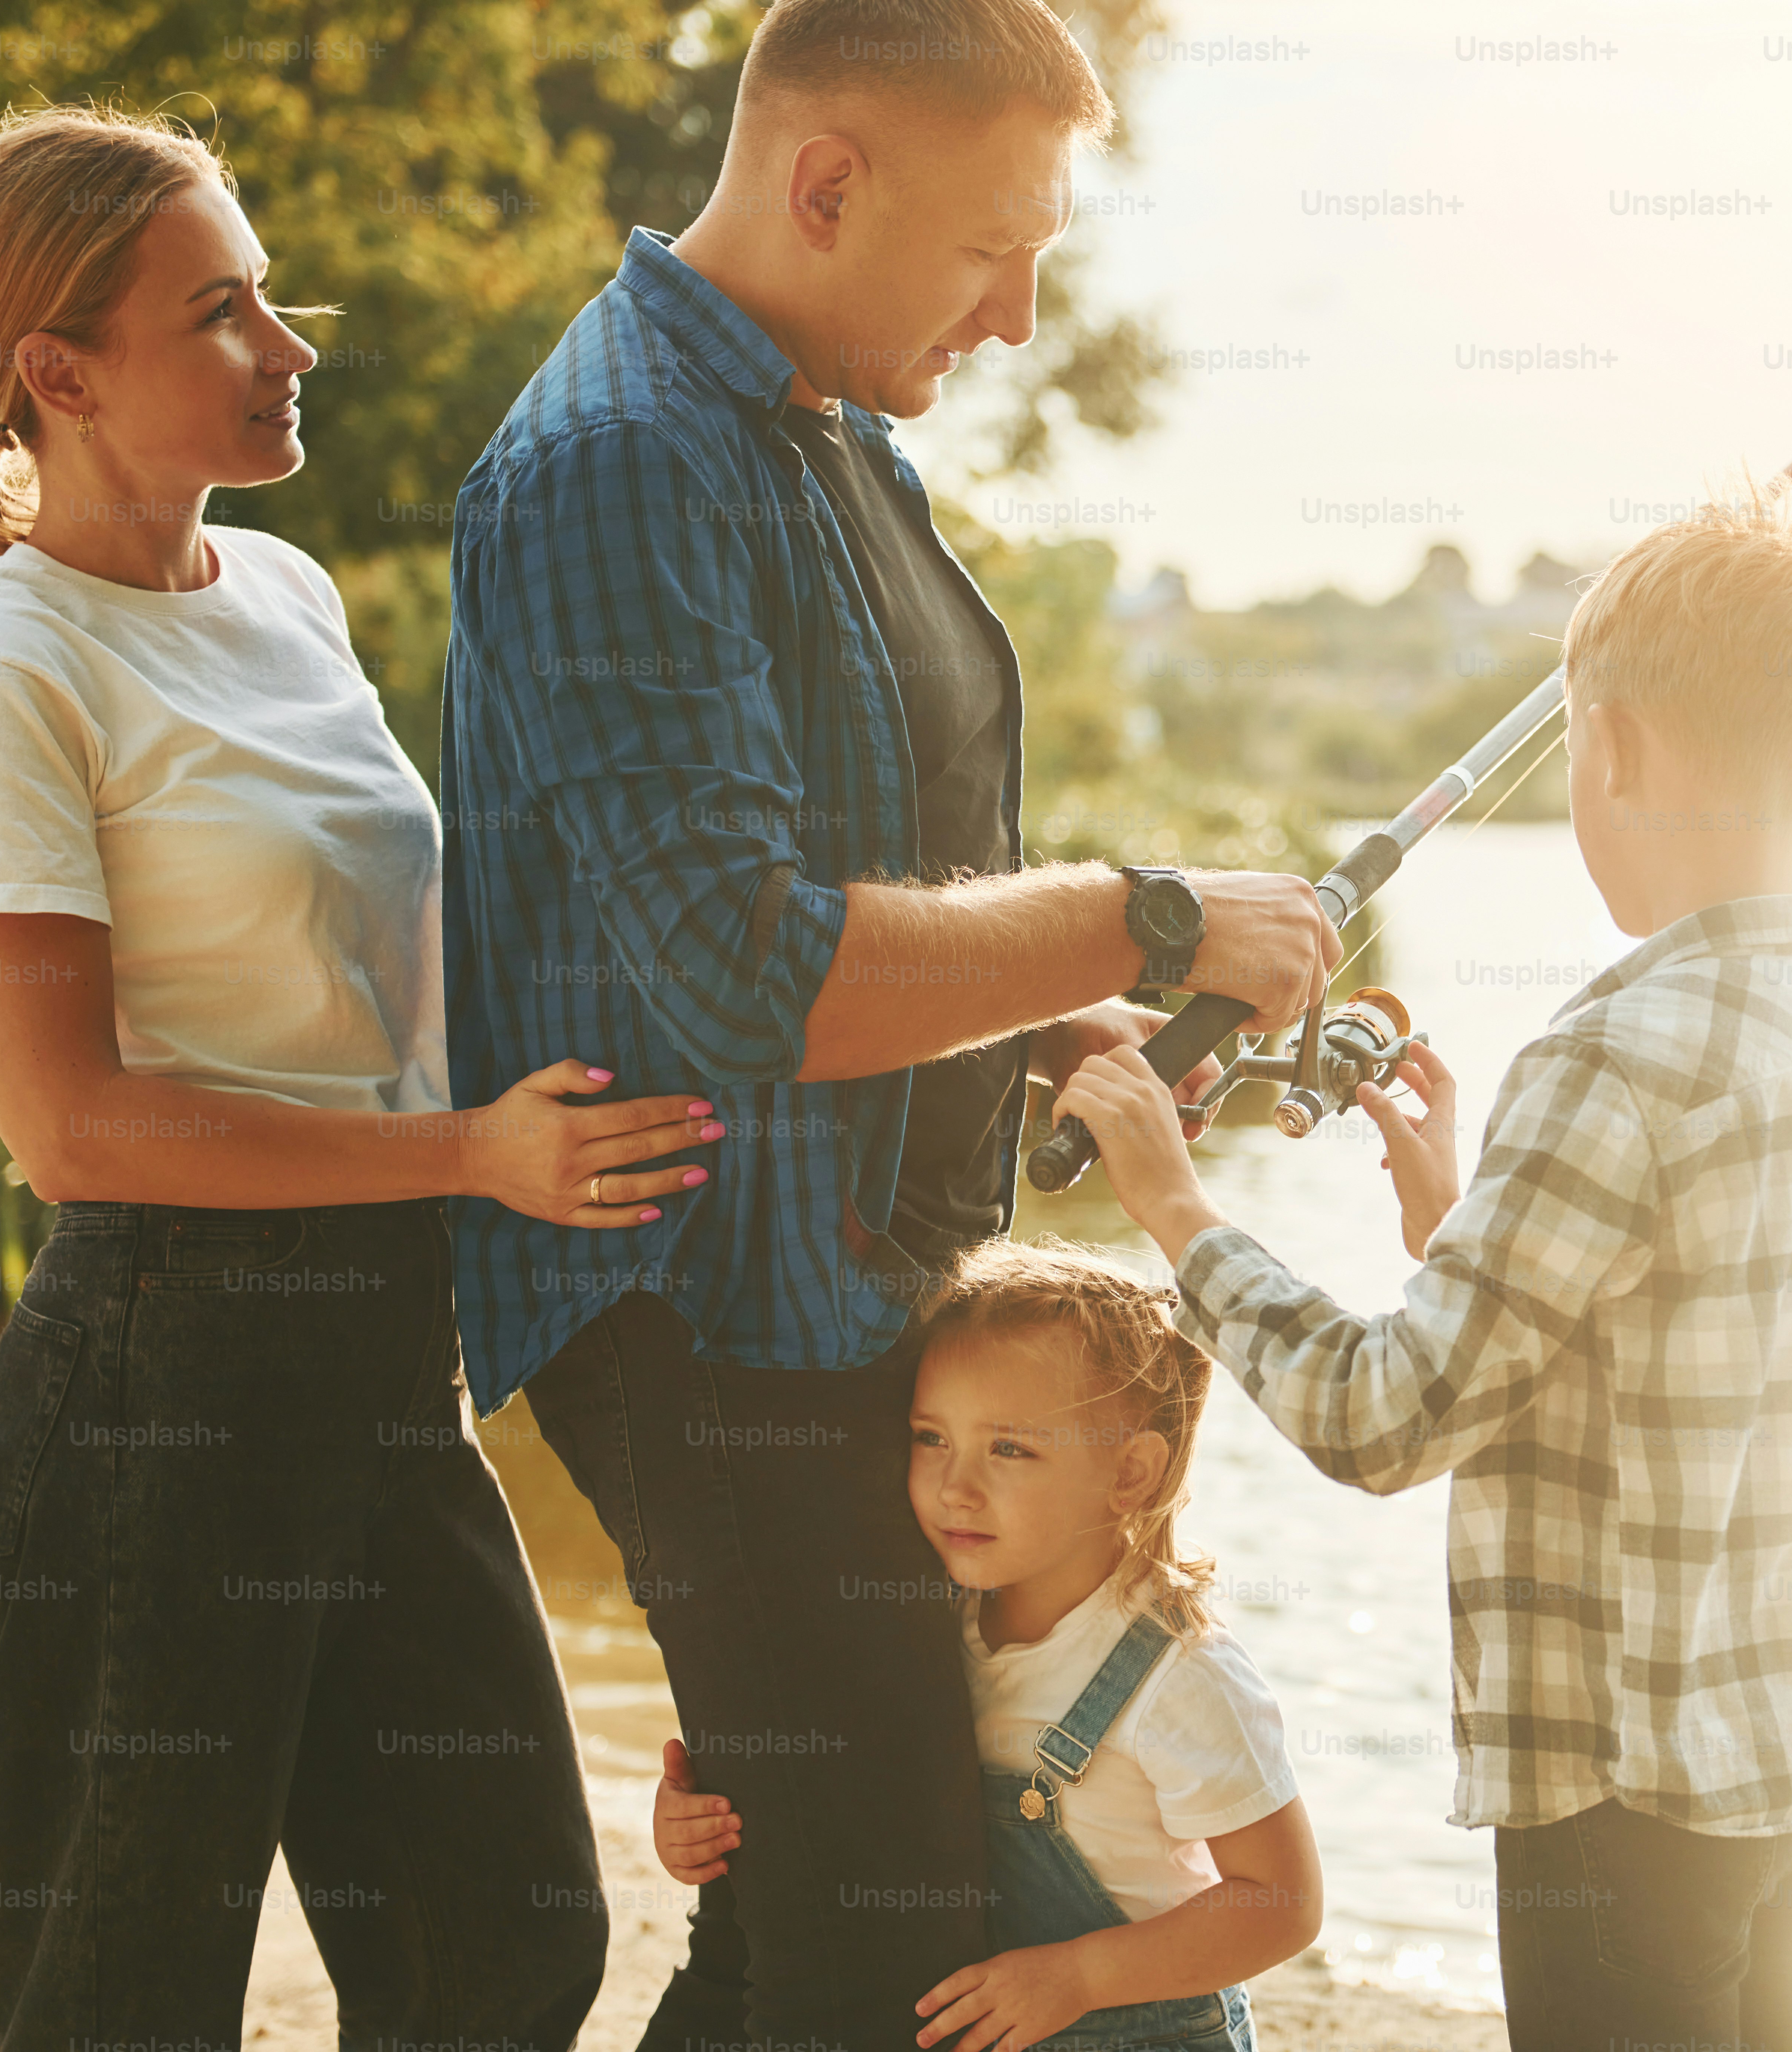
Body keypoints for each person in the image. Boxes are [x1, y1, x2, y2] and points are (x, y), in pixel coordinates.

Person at [437, 0, 1337, 2037]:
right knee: (885, 1951)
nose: (1019, 317)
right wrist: (1156, 911)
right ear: (826, 179)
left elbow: (862, 883)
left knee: (791, 1931)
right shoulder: (612, 467)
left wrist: (1059, 1025)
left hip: (861, 1298)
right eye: (992, 248)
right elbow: (750, 971)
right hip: (713, 1327)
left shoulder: (823, 426)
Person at [0, 105, 719, 2049]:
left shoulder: (291, 595)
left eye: (274, 299)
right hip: (161, 1389)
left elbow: (410, 971)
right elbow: (66, 1125)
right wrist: (468, 1153)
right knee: (118, 1998)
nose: (288, 346)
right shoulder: (10, 671)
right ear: (56, 374)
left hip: (387, 1359)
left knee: (502, 1942)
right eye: (222, 311)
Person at [1056, 490, 1792, 2052]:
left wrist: (1177, 1204)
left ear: (1604, 749)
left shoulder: (1611, 1052)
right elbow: (1694, 1343)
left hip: (1625, 1790)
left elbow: (1384, 1423)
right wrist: (1459, 1222)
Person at [650, 1239, 1320, 2051]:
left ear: (1131, 1473)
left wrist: (1078, 1976)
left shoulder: (1180, 1675)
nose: (954, 1485)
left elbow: (1281, 1904)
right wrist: (703, 1821)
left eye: (1010, 1449)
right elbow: (834, 1791)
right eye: (932, 1437)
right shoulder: (926, 1624)